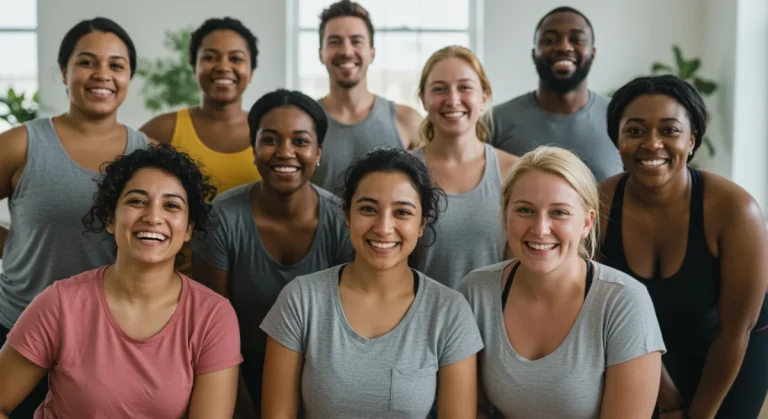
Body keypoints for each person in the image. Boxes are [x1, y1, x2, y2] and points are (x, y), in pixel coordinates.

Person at [0, 143, 242, 418]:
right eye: (137, 201)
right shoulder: (60, 303)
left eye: (172, 205)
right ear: (110, 219)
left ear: (188, 229)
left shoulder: (213, 317)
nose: (153, 217)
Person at [260, 147, 483, 418]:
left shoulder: (449, 311)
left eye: (402, 212)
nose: (383, 227)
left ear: (422, 223)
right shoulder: (301, 300)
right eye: (368, 209)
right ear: (346, 214)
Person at [0, 17, 150, 418]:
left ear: (129, 76)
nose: (102, 74)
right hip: (18, 327)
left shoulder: (146, 156)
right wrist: (13, 244)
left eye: (116, 65)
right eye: (87, 62)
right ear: (64, 70)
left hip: (107, 341)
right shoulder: (21, 144)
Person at [599, 74, 768, 419]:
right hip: (639, 347)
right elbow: (602, 314)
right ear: (617, 139)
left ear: (692, 140)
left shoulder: (735, 210)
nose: (652, 144)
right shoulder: (598, 205)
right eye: (634, 130)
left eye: (669, 130)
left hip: (732, 346)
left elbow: (735, 330)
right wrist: (669, 400)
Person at [460, 145, 665, 418]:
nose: (540, 229)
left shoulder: (624, 301)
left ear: (586, 223)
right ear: (506, 216)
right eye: (524, 210)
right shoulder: (476, 292)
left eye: (559, 212)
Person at [190, 88, 355, 415]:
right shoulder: (221, 219)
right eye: (270, 140)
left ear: (318, 152)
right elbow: (211, 332)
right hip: (234, 373)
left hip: (323, 375)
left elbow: (345, 330)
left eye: (300, 141)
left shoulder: (343, 221)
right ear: (252, 149)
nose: (285, 152)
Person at [410, 45, 518, 290]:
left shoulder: (513, 171)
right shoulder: (402, 173)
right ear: (423, 99)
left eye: (465, 87)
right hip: (423, 321)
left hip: (493, 321)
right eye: (439, 89)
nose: (452, 99)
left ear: (484, 96)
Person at [490, 6, 622, 181]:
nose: (563, 47)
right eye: (550, 40)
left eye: (577, 39)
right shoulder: (497, 122)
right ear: (533, 54)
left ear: (593, 53)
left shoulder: (618, 117)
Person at [310, 0, 423, 194]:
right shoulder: (305, 121)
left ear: (372, 53)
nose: (346, 51)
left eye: (356, 41)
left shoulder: (407, 121)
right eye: (335, 41)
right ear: (321, 53)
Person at [140, 17, 261, 194]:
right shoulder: (163, 131)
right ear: (194, 68)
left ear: (251, 72)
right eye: (210, 57)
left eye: (235, 58)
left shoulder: (267, 133)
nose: (223, 66)